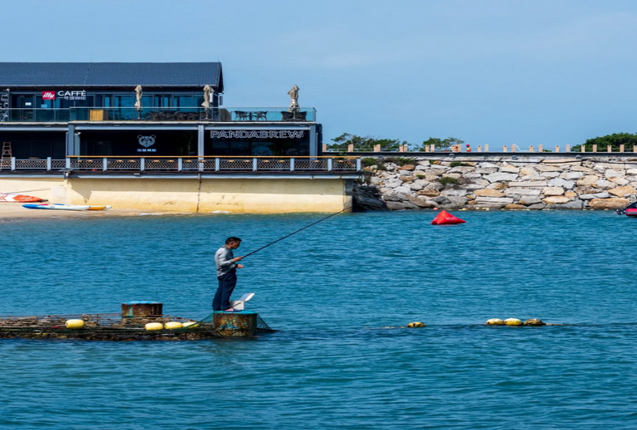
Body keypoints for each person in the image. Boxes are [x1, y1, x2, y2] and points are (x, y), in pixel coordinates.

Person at [212, 237, 244, 312]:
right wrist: (234, 260)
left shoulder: (221, 250)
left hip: (221, 274)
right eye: (237, 244)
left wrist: (235, 265)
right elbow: (221, 264)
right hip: (227, 274)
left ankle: (216, 307)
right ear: (232, 243)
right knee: (227, 290)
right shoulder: (224, 251)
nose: (238, 246)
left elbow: (224, 263)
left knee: (220, 290)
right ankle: (226, 307)